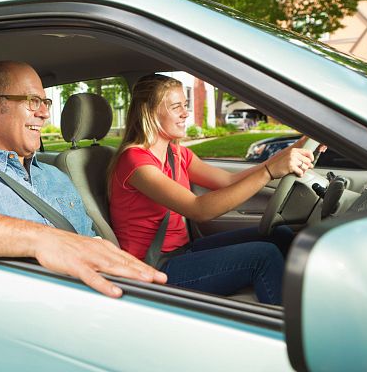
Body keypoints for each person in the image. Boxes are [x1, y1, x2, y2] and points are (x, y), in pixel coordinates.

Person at [0, 61, 166, 299]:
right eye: (33, 101)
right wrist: (41, 239)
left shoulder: (56, 176)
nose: (45, 113)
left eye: (45, 103)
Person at [108, 74, 316, 305]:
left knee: (279, 234)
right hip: (153, 267)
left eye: (185, 105)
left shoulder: (177, 153)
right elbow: (198, 209)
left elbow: (228, 180)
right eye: (176, 107)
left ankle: (310, 302)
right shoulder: (135, 161)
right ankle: (291, 330)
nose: (185, 113)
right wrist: (268, 172)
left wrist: (295, 148)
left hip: (182, 251)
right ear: (149, 111)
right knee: (263, 257)